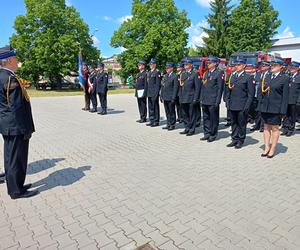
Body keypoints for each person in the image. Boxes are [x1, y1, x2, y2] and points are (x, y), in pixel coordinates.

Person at [0, 47, 38, 199]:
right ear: (9, 60)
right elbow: (16, 107)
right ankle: (16, 190)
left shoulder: (2, 75)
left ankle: (17, 185)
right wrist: (25, 128)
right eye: (15, 59)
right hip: (15, 126)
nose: (17, 61)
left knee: (12, 157)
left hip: (8, 124)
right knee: (16, 159)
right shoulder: (10, 78)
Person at [258, 59, 289, 158]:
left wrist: (283, 111)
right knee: (266, 127)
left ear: (281, 67)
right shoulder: (267, 76)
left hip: (276, 108)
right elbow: (261, 91)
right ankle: (267, 147)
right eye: (272, 65)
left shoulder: (284, 78)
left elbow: (285, 96)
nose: (272, 66)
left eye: (275, 65)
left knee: (275, 128)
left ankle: (273, 148)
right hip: (265, 107)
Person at [226, 59, 255, 149]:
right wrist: (227, 102)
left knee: (241, 124)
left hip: (242, 105)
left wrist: (247, 106)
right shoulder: (232, 76)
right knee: (233, 123)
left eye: (239, 64)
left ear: (243, 66)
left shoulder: (248, 77)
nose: (237, 66)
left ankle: (240, 140)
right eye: (236, 65)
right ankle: (234, 139)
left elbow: (251, 94)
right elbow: (229, 91)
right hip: (232, 104)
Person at [200, 57, 224, 142]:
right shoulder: (206, 73)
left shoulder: (219, 73)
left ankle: (213, 134)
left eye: (210, 63)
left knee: (213, 118)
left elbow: (220, 88)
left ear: (214, 63)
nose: (208, 64)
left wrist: (218, 101)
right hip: (205, 99)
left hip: (213, 100)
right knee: (206, 118)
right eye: (208, 63)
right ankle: (207, 133)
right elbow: (203, 87)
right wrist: (201, 98)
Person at [178, 59, 201, 136]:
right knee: (185, 114)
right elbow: (181, 87)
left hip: (191, 98)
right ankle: (187, 128)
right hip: (183, 97)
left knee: (192, 114)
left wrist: (196, 98)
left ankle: (192, 129)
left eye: (187, 64)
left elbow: (197, 88)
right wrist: (180, 97)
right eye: (184, 65)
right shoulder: (183, 74)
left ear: (191, 65)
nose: (185, 66)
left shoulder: (195, 74)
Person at [281, 61, 300, 136]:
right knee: (285, 115)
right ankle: (285, 128)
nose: (291, 69)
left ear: (297, 68)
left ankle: (291, 129)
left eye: (293, 67)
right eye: (291, 67)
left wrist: (298, 101)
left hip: (294, 100)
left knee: (292, 116)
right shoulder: (288, 76)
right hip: (286, 99)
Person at [160, 63, 179, 131]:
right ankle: (168, 123)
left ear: (171, 68)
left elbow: (175, 88)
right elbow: (162, 86)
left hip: (171, 97)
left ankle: (172, 124)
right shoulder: (165, 76)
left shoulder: (175, 76)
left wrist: (174, 97)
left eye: (168, 68)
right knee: (167, 111)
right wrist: (161, 96)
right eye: (166, 68)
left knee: (171, 111)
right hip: (165, 96)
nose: (166, 69)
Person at [248, 63, 263, 132]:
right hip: (253, 96)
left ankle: (261, 126)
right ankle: (257, 125)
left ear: (257, 69)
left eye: (254, 68)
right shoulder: (250, 76)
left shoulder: (259, 75)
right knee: (255, 111)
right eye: (252, 68)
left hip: (259, 96)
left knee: (259, 111)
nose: (252, 69)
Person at [146, 58, 161, 127]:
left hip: (154, 93)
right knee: (150, 107)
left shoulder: (157, 72)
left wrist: (156, 93)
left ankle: (156, 121)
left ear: (155, 65)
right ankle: (151, 120)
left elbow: (158, 84)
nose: (150, 65)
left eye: (151, 64)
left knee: (155, 107)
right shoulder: (149, 72)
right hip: (149, 93)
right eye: (150, 64)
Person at [223, 63, 237, 127]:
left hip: (234, 96)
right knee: (228, 108)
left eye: (232, 67)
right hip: (228, 95)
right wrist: (225, 95)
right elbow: (226, 86)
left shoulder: (236, 75)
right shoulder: (229, 75)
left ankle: (233, 121)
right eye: (230, 67)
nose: (231, 68)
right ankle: (229, 120)